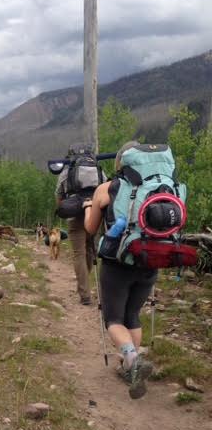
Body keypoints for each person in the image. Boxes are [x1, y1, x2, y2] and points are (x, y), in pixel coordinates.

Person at [82, 141, 157, 399]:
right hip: (150, 259)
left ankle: (132, 359)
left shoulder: (107, 188)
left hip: (117, 262)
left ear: (120, 162)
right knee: (132, 315)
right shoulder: (159, 186)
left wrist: (88, 208)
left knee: (114, 319)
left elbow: (91, 229)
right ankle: (131, 370)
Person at [55, 145, 97, 305]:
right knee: (90, 249)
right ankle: (84, 282)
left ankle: (85, 294)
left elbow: (58, 194)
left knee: (78, 253)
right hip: (93, 213)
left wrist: (64, 209)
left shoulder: (67, 171)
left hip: (74, 215)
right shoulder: (96, 169)